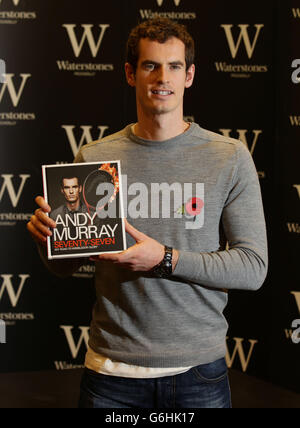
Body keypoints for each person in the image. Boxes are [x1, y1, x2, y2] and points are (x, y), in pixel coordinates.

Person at [27, 18, 268, 409]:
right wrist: (47, 240)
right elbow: (63, 267)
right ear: (130, 73)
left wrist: (165, 259)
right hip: (111, 374)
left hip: (198, 374)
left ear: (189, 76)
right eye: (150, 65)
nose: (162, 77)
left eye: (174, 66)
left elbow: (253, 267)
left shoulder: (228, 156)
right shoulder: (95, 158)